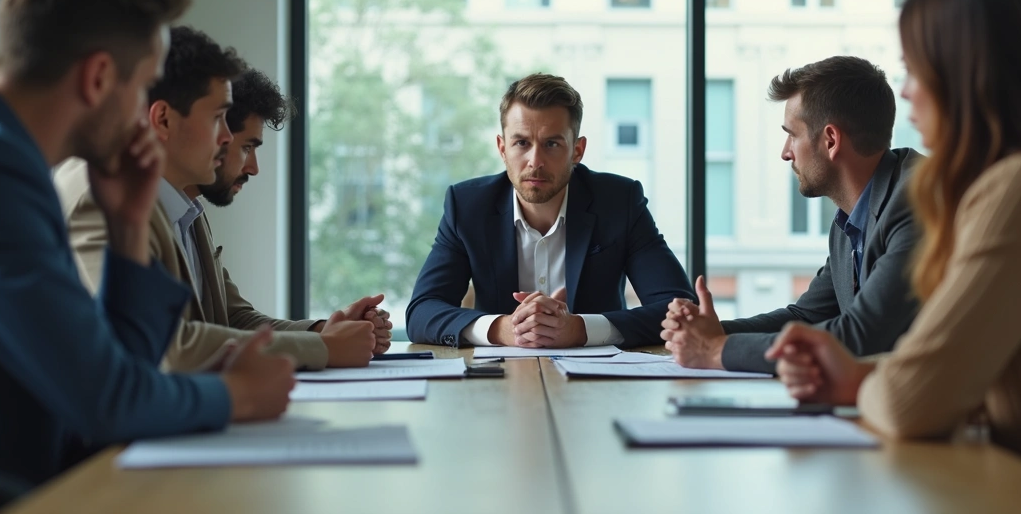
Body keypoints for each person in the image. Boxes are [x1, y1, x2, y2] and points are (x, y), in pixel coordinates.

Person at [0, 0, 293, 487]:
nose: (144, 115)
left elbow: (117, 369)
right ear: (98, 78)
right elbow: (107, 399)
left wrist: (126, 225)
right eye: (142, 86)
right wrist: (234, 395)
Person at [768, 0, 1021, 464]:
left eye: (917, 69)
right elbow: (956, 377)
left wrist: (858, 380)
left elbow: (910, 402)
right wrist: (860, 377)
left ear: (970, 77)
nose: (906, 91)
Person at [56, 31, 384, 372]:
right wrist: (324, 348)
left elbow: (228, 318)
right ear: (164, 119)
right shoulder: (99, 196)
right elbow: (167, 347)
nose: (225, 138)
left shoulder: (183, 206)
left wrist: (323, 332)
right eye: (216, 119)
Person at [662, 56, 921, 373]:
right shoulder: (850, 219)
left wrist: (716, 350)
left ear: (830, 140)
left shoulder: (915, 202)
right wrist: (713, 331)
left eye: (792, 134)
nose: (786, 152)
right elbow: (807, 316)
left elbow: (862, 335)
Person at [406, 73, 694, 349]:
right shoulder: (468, 206)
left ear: (577, 151)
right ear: (502, 148)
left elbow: (681, 309)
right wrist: (503, 328)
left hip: (599, 385)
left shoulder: (619, 202)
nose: (535, 161)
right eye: (521, 143)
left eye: (552, 144)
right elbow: (422, 312)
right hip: (498, 383)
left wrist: (579, 329)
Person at [196, 67, 393, 354]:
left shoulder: (192, 215)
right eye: (247, 147)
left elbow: (236, 319)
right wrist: (323, 346)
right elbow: (178, 342)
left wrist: (327, 329)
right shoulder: (140, 221)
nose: (254, 168)